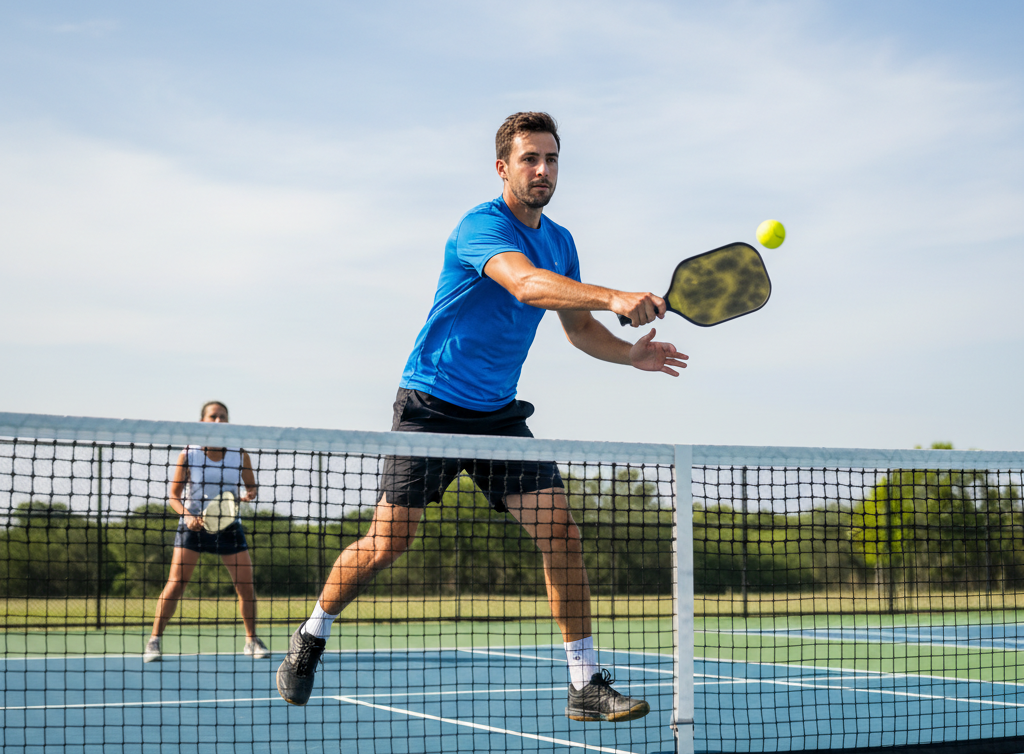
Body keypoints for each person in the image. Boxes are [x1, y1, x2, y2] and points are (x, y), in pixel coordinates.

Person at [276, 111, 688, 720]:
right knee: (390, 540)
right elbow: (526, 286)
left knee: (561, 532)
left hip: (496, 416)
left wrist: (630, 354)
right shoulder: (480, 226)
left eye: (551, 159)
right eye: (530, 159)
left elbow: (577, 330)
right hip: (431, 405)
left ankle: (584, 684)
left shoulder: (562, 240)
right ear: (503, 167)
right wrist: (614, 295)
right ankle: (311, 635)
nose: (543, 170)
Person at [143, 401, 269, 662]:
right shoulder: (188, 454)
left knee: (245, 585)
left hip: (229, 525)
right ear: (202, 421)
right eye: (213, 416)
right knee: (176, 584)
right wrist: (188, 516)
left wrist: (249, 494)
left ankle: (251, 640)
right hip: (192, 526)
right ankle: (154, 641)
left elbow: (251, 487)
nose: (218, 421)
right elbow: (174, 497)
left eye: (223, 417)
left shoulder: (240, 454)